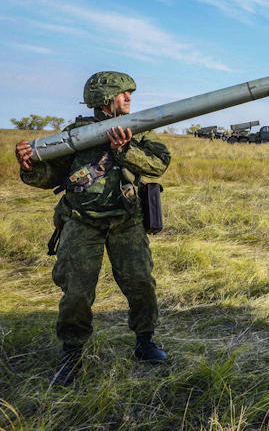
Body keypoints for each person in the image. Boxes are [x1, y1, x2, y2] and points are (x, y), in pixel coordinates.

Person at [14, 71, 171, 386]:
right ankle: (71, 355)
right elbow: (51, 178)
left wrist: (125, 150)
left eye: (130, 94)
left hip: (127, 222)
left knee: (141, 284)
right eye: (123, 93)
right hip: (82, 223)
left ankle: (145, 343)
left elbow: (159, 165)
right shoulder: (74, 135)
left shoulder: (138, 131)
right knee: (76, 293)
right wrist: (29, 165)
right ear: (104, 100)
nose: (129, 98)